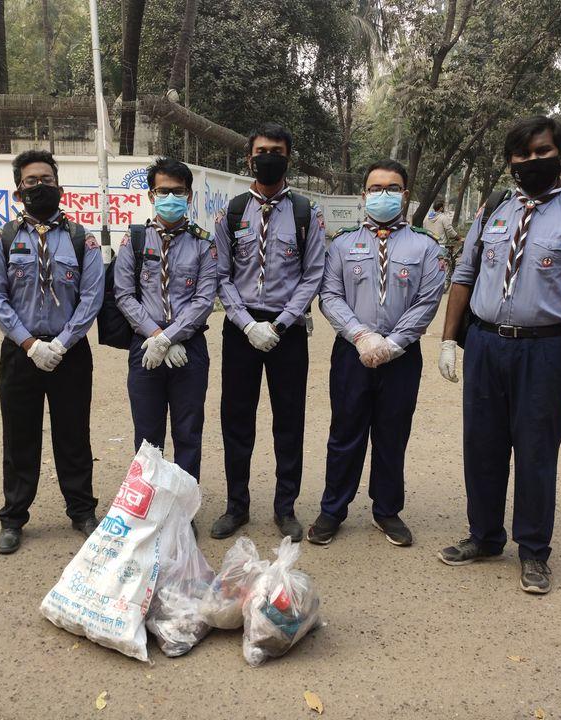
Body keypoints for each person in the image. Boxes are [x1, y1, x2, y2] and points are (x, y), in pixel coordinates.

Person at [436, 116, 561, 594]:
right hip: (485, 344)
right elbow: (464, 274)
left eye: (542, 152)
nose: (532, 161)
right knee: (482, 445)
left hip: (543, 350)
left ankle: (534, 551)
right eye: (522, 154)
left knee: (536, 452)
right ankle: (484, 536)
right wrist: (449, 340)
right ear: (511, 161)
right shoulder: (493, 209)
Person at [307, 160, 445, 546]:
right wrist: (361, 335)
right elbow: (329, 295)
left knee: (392, 434)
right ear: (364, 194)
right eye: (376, 188)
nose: (384, 195)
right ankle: (333, 509)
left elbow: (428, 300)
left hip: (402, 357)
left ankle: (387, 510)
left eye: (393, 188)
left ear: (405, 194)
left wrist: (394, 343)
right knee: (345, 432)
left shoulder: (425, 245)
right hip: (352, 352)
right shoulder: (342, 244)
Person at [0, 150, 105, 555]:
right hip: (21, 353)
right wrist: (31, 345)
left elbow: (91, 297)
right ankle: (13, 517)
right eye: (32, 181)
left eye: (47, 180)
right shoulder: (3, 239)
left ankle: (82, 511)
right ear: (19, 191)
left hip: (70, 353)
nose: (40, 186)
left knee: (74, 434)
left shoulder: (81, 239)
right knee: (19, 436)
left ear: (60, 187)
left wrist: (62, 343)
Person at [211, 122, 327, 542]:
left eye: (277, 151)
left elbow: (313, 274)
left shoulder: (307, 213)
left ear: (288, 158)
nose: (268, 157)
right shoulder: (232, 212)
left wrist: (279, 323)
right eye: (261, 151)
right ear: (249, 158)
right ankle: (236, 507)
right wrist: (246, 323)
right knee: (236, 419)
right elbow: (221, 274)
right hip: (240, 330)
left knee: (289, 420)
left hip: (287, 331)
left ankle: (285, 508)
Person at [113, 157, 217, 533]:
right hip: (145, 351)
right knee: (147, 435)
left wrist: (171, 337)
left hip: (190, 350)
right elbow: (124, 294)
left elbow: (204, 299)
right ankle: (149, 511)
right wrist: (156, 337)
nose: (170, 198)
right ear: (150, 195)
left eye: (177, 192)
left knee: (188, 433)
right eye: (163, 191)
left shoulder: (204, 243)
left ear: (188, 196)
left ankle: (183, 514)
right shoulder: (135, 239)